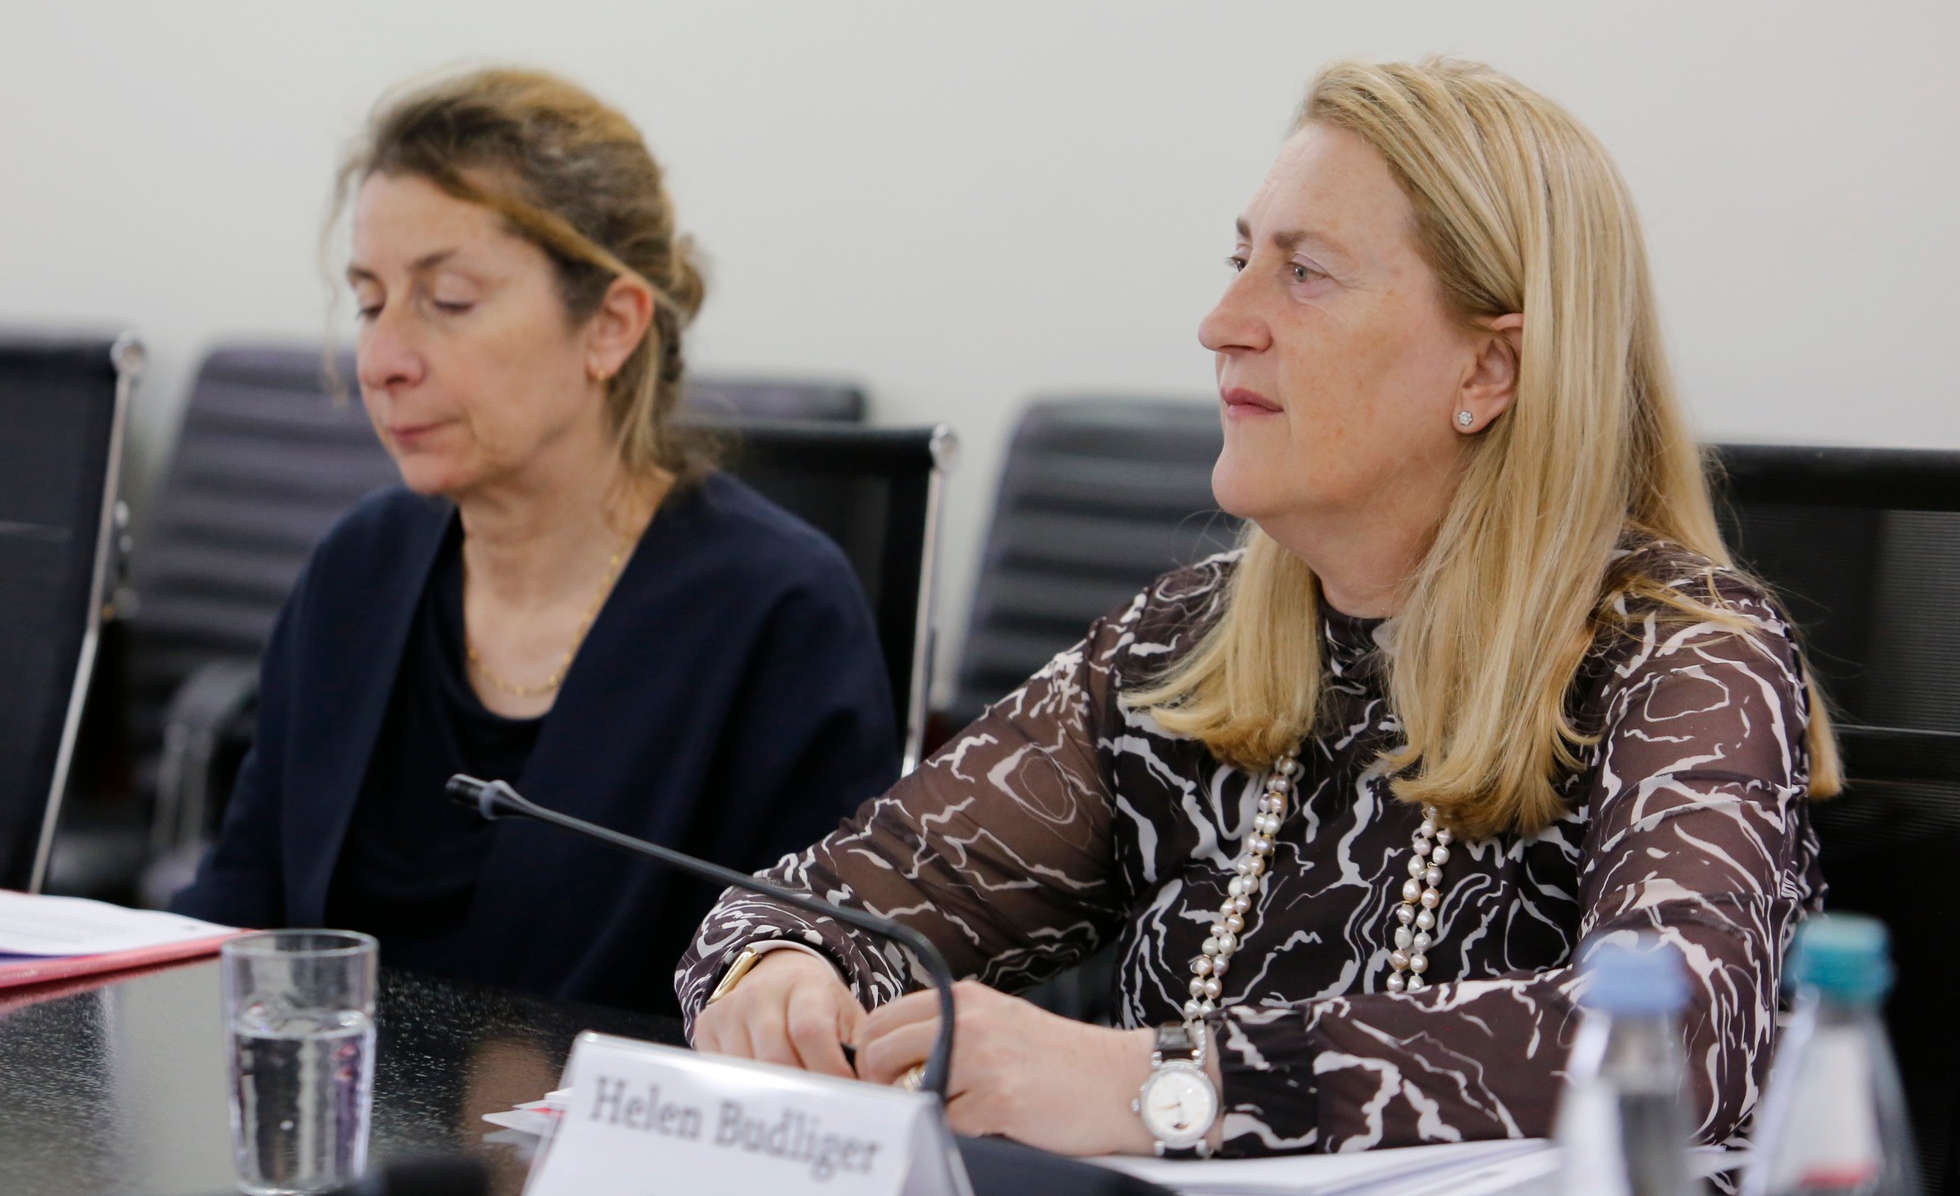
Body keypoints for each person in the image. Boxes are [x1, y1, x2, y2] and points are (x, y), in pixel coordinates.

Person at [678, 57, 1837, 1156]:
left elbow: (1675, 1041)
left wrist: (1154, 1084)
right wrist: (779, 976)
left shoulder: (1682, 655)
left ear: (1487, 369)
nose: (1222, 320)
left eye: (1303, 272)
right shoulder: (1179, 644)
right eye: (1239, 258)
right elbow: (814, 905)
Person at [174, 68, 899, 1015]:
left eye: (449, 299)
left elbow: (800, 995)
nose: (381, 361)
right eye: (370, 302)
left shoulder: (779, 613)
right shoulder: (358, 567)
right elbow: (238, 910)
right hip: (335, 1104)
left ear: (610, 326)